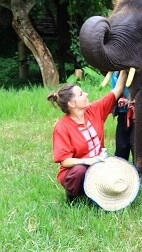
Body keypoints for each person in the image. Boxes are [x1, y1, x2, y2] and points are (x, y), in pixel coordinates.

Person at [50, 69, 128, 203]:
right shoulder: (62, 127)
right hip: (78, 170)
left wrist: (123, 68)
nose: (86, 94)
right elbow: (65, 161)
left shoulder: (94, 110)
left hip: (99, 164)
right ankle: (73, 196)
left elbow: (117, 90)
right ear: (72, 104)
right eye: (81, 94)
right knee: (79, 171)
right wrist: (88, 161)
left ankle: (95, 191)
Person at [110, 71, 134, 162]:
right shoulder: (115, 73)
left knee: (136, 144)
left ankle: (139, 169)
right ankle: (121, 167)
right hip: (123, 113)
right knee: (121, 146)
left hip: (138, 114)